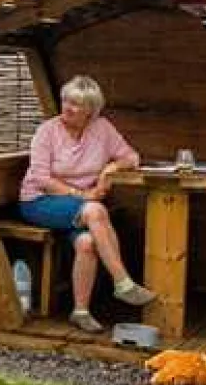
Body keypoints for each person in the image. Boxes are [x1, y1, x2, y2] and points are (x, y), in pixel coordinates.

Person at [18, 75, 157, 333]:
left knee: (87, 242)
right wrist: (81, 195)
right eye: (66, 101)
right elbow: (41, 178)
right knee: (96, 211)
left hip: (77, 207)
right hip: (40, 201)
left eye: (76, 104)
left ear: (91, 111)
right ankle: (123, 282)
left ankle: (80, 312)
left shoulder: (102, 128)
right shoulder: (47, 131)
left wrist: (109, 169)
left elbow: (131, 157)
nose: (68, 108)